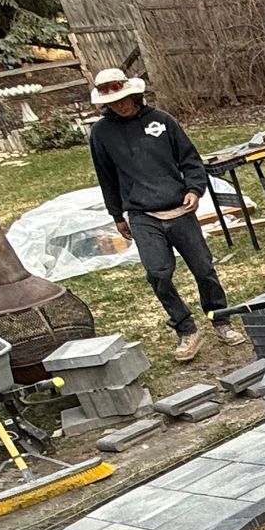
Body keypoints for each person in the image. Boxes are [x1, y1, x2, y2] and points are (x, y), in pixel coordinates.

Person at [87, 67, 241, 362]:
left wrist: (194, 190)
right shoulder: (101, 133)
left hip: (180, 208)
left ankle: (221, 320)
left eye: (122, 98)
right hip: (142, 214)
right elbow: (105, 176)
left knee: (204, 269)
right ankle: (185, 328)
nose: (118, 105)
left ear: (134, 94)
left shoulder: (162, 121)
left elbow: (191, 161)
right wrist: (117, 215)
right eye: (112, 102)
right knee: (158, 274)